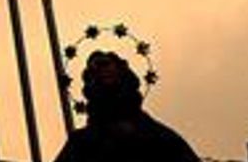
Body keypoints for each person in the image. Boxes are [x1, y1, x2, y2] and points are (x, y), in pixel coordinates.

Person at [53, 51, 201, 162]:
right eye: (94, 70)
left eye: (105, 64)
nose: (101, 70)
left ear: (120, 69)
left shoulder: (156, 133)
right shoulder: (81, 142)